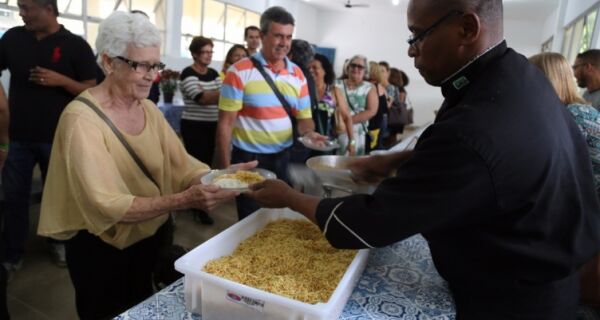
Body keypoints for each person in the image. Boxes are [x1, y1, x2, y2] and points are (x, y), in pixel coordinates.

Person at [248, 0, 600, 318]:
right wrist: (396, 160)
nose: (413, 51)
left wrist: (289, 198)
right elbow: (496, 160)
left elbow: (370, 225)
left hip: (515, 300)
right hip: (545, 274)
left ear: (467, 28)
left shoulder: (476, 128)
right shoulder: (516, 76)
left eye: (418, 35)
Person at [36, 12, 253, 320]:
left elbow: (183, 165)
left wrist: (223, 177)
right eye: (142, 65)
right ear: (109, 62)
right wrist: (184, 200)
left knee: (145, 307)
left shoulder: (149, 109)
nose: (153, 75)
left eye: (156, 65)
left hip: (150, 237)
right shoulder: (80, 120)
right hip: (102, 250)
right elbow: (107, 206)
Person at [0, 0, 97, 272]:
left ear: (48, 8)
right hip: (18, 136)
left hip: (58, 138)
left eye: (26, 7)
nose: (21, 13)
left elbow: (92, 90)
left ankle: (59, 241)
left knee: (59, 195)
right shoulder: (12, 39)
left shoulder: (75, 45)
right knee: (14, 196)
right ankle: (12, 252)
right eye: (20, 6)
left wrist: (62, 81)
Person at [217, 6, 324, 220]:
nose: (284, 43)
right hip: (249, 158)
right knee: (250, 216)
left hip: (283, 156)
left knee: (279, 214)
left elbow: (304, 120)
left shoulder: (298, 75)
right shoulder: (239, 71)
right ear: (263, 35)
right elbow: (225, 124)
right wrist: (224, 169)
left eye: (288, 37)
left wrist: (310, 134)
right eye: (278, 36)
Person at [179, 36, 222, 225]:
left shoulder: (213, 73)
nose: (208, 55)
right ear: (195, 53)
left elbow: (220, 96)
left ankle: (202, 203)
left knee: (208, 167)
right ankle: (193, 204)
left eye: (211, 52)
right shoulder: (187, 72)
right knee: (195, 168)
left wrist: (223, 93)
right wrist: (228, 91)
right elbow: (201, 98)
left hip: (212, 125)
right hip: (194, 126)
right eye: (205, 52)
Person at [309, 53, 354, 155]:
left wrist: (352, 142)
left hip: (327, 146)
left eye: (315, 67)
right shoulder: (304, 90)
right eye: (309, 68)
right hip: (307, 145)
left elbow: (347, 117)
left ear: (325, 71)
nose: (311, 70)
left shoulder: (334, 92)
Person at [334, 55, 378, 155]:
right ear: (347, 67)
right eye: (353, 65)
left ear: (365, 70)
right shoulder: (336, 84)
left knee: (351, 164)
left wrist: (346, 122)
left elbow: (371, 111)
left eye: (360, 67)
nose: (356, 68)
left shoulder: (369, 87)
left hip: (357, 133)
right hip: (335, 130)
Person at [288, 38, 318, 163]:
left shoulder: (293, 76)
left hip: (291, 137)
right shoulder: (308, 76)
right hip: (302, 136)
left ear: (290, 55)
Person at [367, 61, 388, 152]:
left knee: (368, 147)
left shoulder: (368, 86)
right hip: (379, 121)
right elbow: (385, 107)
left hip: (370, 122)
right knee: (374, 146)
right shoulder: (381, 87)